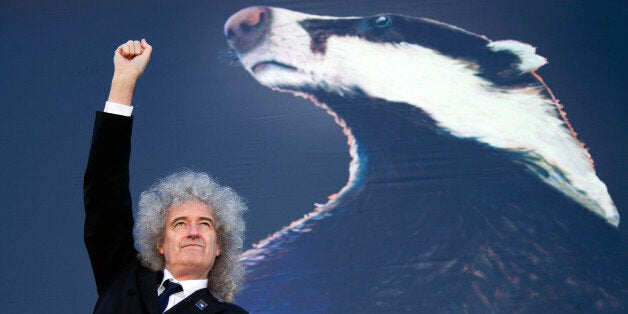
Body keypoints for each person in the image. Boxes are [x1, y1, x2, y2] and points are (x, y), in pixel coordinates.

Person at [84, 39, 248, 313]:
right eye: (180, 223)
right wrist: (124, 80)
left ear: (219, 246)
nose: (193, 232)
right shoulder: (123, 276)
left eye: (205, 224)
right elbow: (104, 191)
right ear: (160, 242)